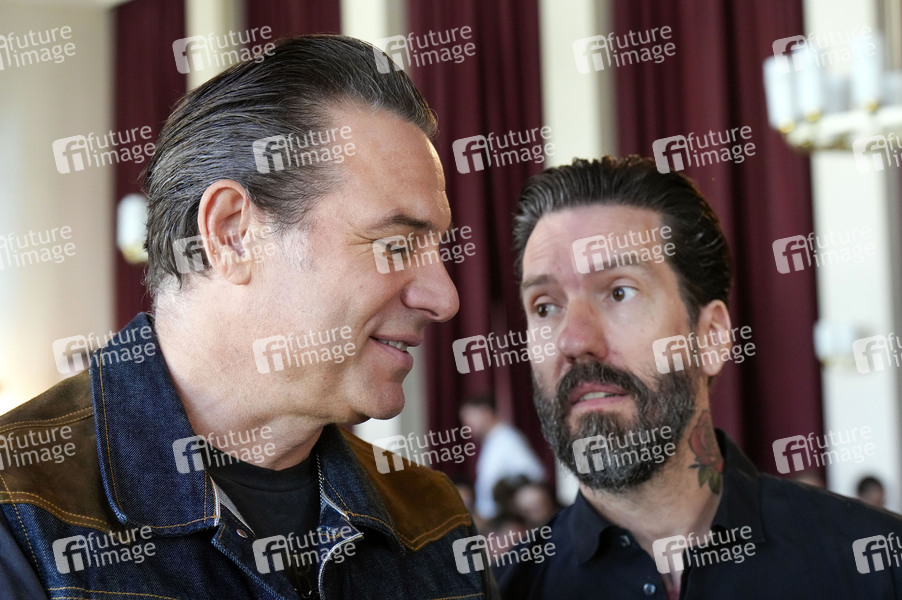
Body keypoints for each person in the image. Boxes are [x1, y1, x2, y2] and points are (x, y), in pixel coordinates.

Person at [0, 35, 498, 599]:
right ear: (233, 234)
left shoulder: (433, 521)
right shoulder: (21, 512)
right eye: (395, 245)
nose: (444, 298)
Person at [499, 156, 902, 599]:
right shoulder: (504, 591)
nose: (573, 340)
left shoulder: (877, 565)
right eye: (545, 306)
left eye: (619, 292)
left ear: (710, 337)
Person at [459, 394, 546, 519]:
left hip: (508, 520)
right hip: (493, 520)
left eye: (469, 416)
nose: (466, 425)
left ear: (485, 412)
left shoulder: (506, 438)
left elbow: (534, 474)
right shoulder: (491, 441)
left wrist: (507, 498)